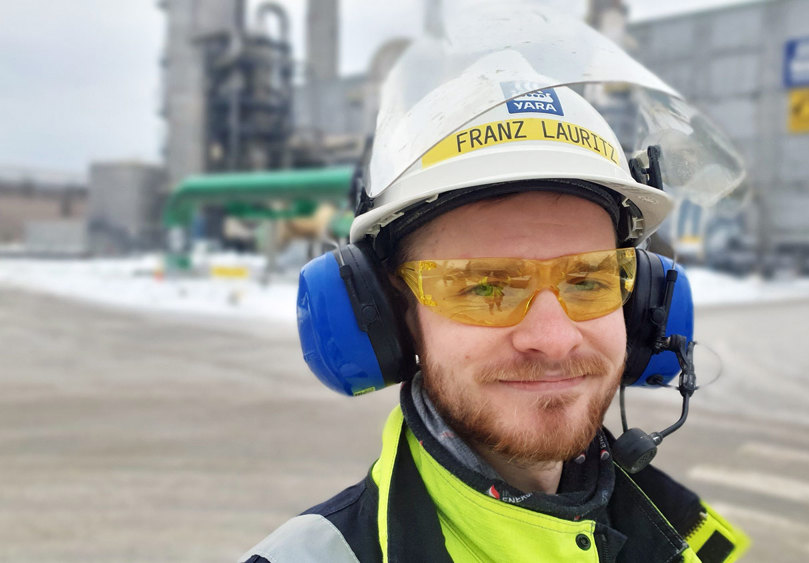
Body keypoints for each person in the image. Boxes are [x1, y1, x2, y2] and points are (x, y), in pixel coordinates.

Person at [242, 6, 749, 562]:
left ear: (641, 306)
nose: (556, 339)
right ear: (391, 313)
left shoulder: (686, 542)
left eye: (589, 279)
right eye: (483, 287)